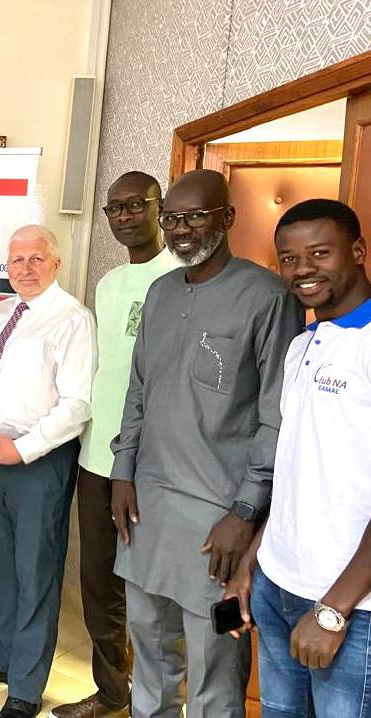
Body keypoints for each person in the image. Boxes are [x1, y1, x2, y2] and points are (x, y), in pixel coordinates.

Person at [109, 169, 304, 717]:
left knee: (215, 668)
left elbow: (278, 416)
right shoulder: (160, 292)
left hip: (217, 523)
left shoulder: (267, 297)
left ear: (227, 218)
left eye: (196, 216)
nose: (181, 229)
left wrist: (245, 512)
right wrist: (123, 469)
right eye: (173, 218)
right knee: (149, 655)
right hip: (146, 511)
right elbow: (139, 388)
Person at [226, 199, 371, 717]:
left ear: (358, 251)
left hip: (351, 609)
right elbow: (297, 470)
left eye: (319, 253)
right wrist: (253, 561)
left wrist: (334, 610)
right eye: (289, 258)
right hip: (278, 585)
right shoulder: (302, 346)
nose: (303, 269)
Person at [0, 225, 97, 718]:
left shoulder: (72, 319)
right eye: (17, 260)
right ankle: (3, 657)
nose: (26, 268)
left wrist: (25, 448)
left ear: (55, 263)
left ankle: (26, 689)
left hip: (39, 463)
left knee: (36, 574)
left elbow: (78, 404)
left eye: (36, 258)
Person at [53, 171, 177, 718]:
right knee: (99, 583)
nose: (124, 216)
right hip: (96, 457)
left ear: (159, 208)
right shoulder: (107, 284)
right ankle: (112, 694)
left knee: (151, 588)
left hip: (151, 464)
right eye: (114, 208)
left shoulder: (179, 278)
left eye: (135, 205)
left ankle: (158, 700)